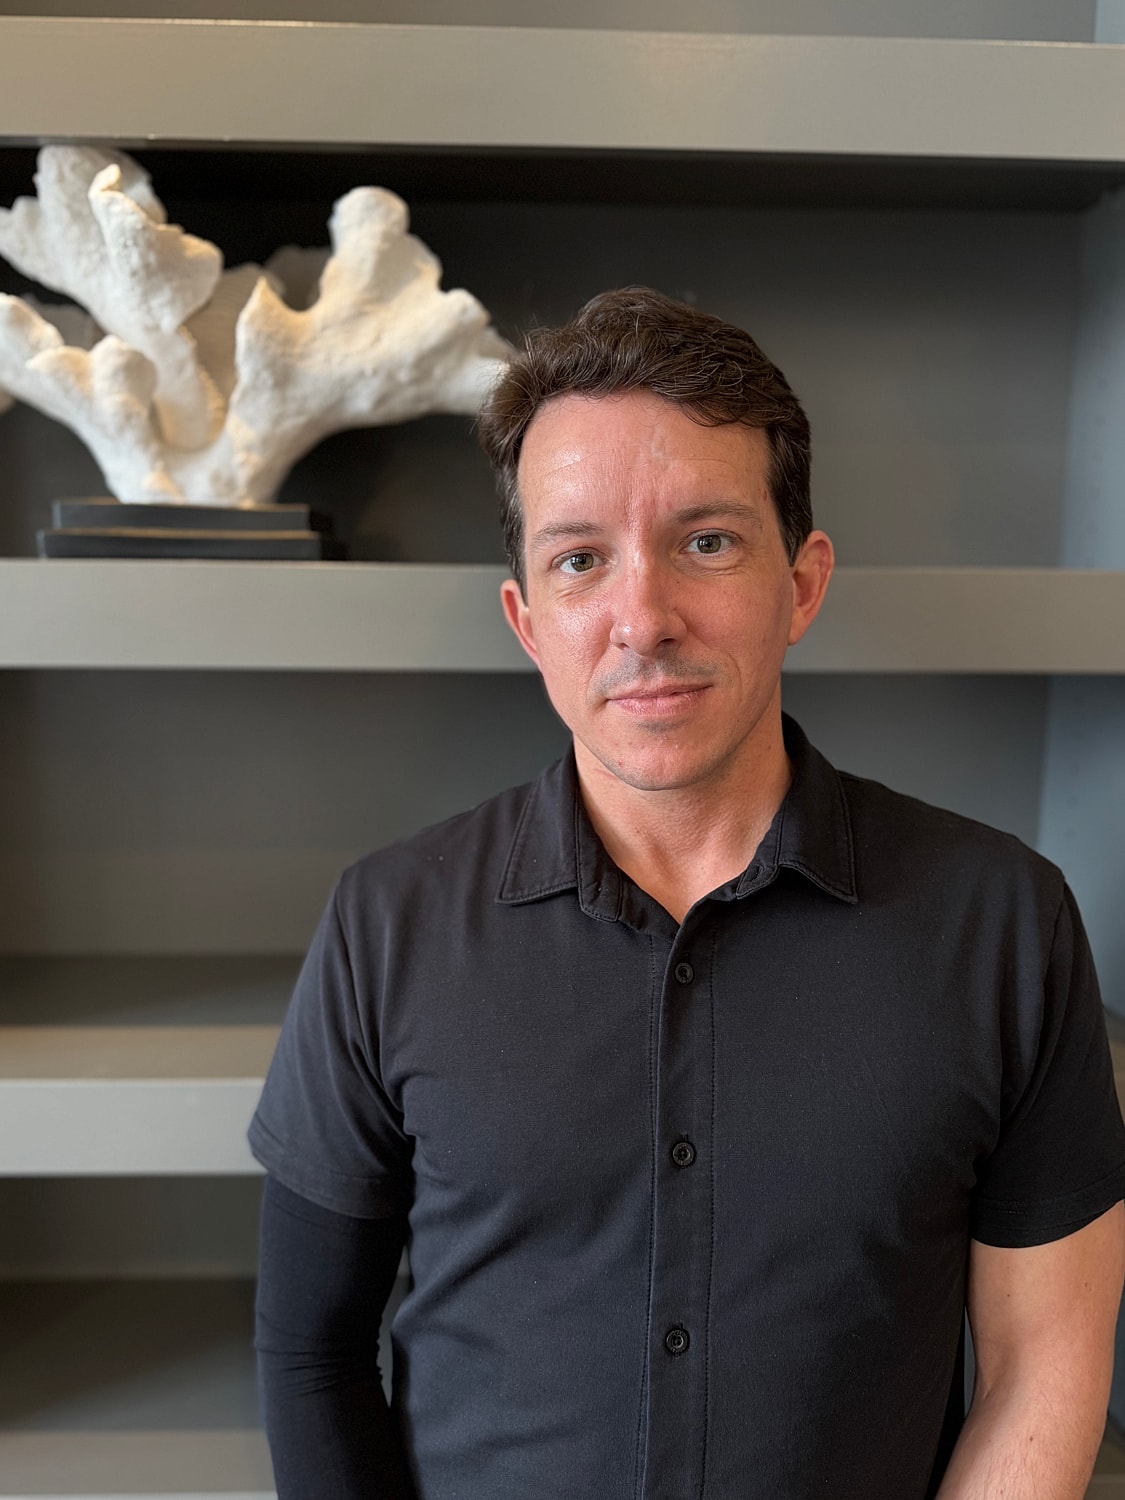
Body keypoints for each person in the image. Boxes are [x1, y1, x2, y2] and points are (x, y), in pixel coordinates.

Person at [249, 287, 1125, 1500]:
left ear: (802, 583)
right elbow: (311, 1358)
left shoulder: (1005, 925)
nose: (644, 620)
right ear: (528, 622)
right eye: (579, 560)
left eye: (706, 542)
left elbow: (1043, 1367)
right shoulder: (385, 926)